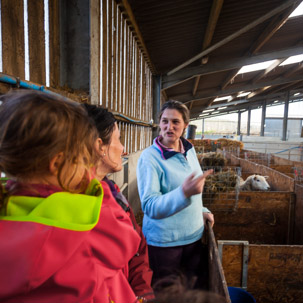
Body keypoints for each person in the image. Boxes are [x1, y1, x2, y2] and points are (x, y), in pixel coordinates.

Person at [0, 90, 141, 303]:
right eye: (82, 157)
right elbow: (126, 241)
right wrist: (97, 189)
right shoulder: (81, 227)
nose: (87, 166)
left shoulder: (8, 204)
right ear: (57, 163)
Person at [136, 100, 214, 288]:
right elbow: (150, 205)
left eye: (175, 122)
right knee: (165, 292)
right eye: (164, 121)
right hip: (165, 243)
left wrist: (201, 209)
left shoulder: (189, 150)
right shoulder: (150, 158)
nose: (168, 127)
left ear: (185, 125)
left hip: (193, 236)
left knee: (190, 289)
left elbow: (194, 186)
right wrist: (183, 194)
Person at [84, 103, 155, 302]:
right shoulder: (78, 205)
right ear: (100, 146)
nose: (123, 149)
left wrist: (143, 293)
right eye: (118, 139)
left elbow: (137, 249)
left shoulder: (115, 195)